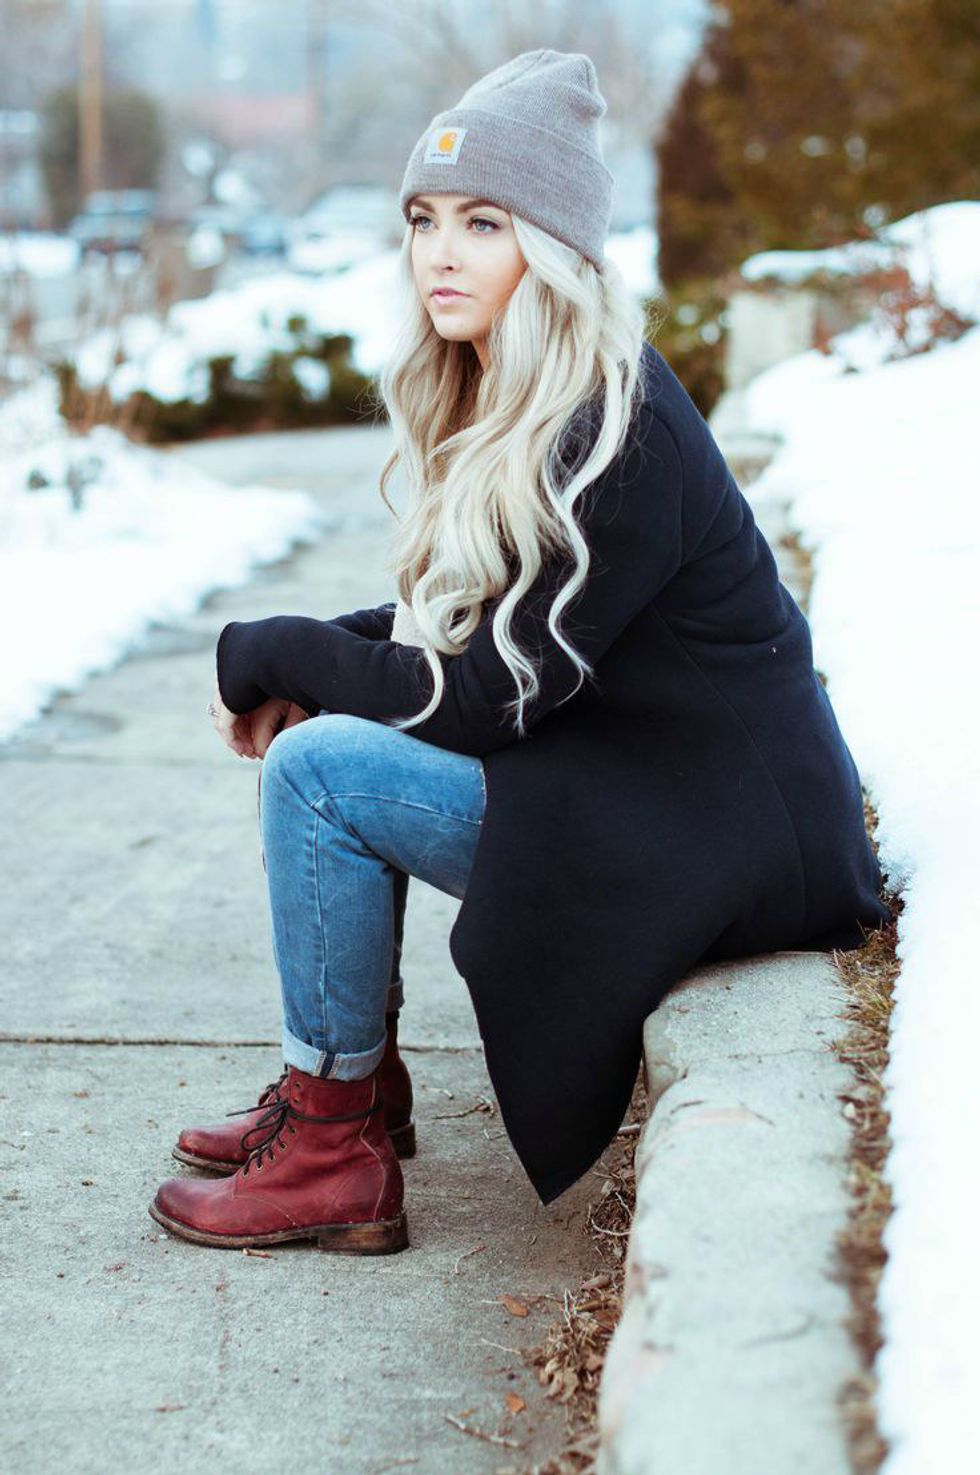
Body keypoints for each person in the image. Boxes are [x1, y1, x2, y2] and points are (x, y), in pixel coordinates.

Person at [149, 49, 891, 1253]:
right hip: (639, 785)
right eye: (424, 219)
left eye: (482, 222)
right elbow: (462, 626)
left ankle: (333, 1148)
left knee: (320, 769)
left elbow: (480, 697)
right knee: (334, 736)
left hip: (727, 838)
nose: (440, 253)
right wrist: (300, 658)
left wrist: (279, 649)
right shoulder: (522, 392)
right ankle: (345, 1087)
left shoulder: (615, 429)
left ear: (550, 244)